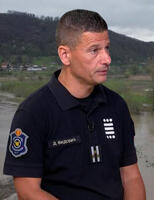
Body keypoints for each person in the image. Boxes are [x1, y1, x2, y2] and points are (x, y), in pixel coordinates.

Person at [3, 9, 146, 200]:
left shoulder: (116, 105)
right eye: (94, 50)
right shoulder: (33, 113)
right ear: (65, 55)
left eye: (107, 48)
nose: (107, 59)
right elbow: (28, 191)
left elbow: (131, 177)